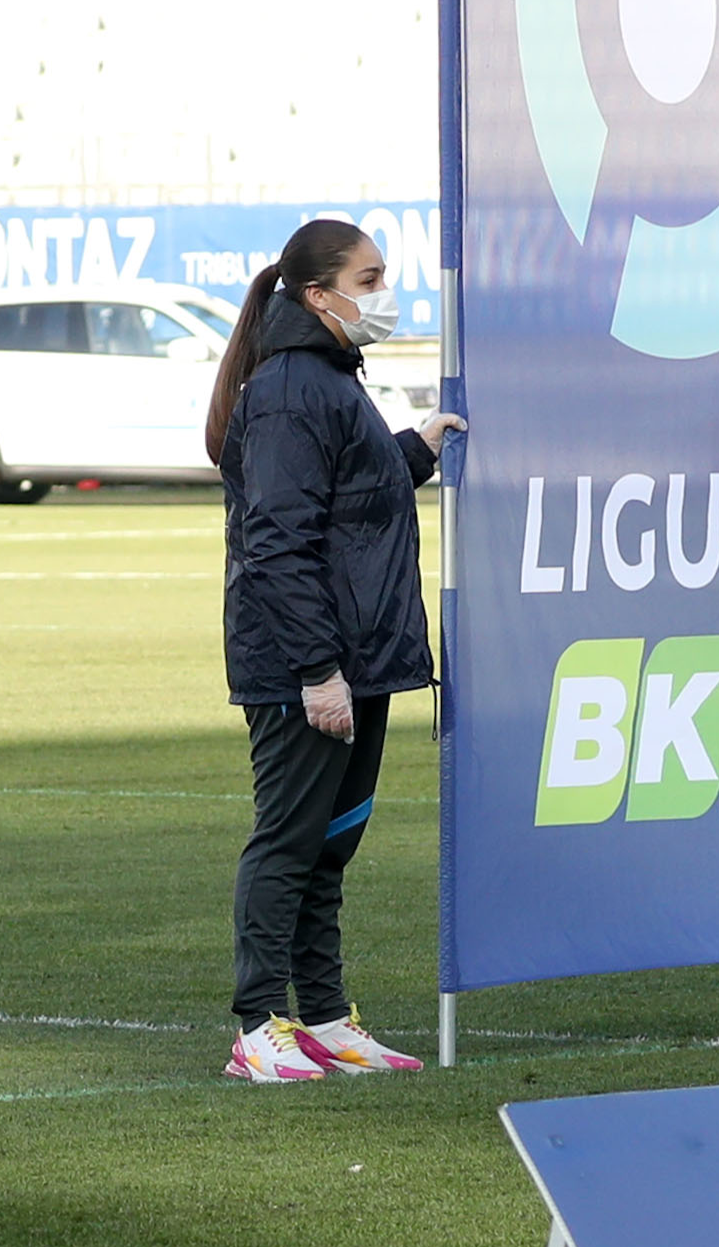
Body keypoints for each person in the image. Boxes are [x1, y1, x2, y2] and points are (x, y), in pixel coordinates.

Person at [204, 217, 465, 1085]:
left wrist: (413, 451)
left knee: (331, 845)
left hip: (358, 658)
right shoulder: (288, 389)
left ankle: (320, 1015)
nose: (384, 296)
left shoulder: (329, 379)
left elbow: (348, 496)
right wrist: (317, 671)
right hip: (308, 666)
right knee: (288, 839)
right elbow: (277, 541)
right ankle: (255, 1025)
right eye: (371, 278)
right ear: (318, 296)